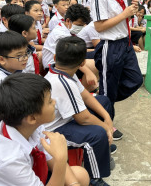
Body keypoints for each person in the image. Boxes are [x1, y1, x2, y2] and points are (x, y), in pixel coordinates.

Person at [0, 73, 90, 186]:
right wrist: (61, 159)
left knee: (80, 176)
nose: (54, 102)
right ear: (32, 118)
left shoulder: (25, 125)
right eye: (49, 101)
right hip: (8, 174)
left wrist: (73, 183)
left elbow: (48, 156)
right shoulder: (8, 159)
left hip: (20, 174)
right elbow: (56, 161)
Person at [44, 37, 113, 186]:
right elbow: (83, 118)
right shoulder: (62, 81)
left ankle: (103, 148)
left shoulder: (64, 70)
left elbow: (86, 96)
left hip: (66, 119)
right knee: (96, 135)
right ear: (83, 63)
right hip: (54, 130)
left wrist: (106, 117)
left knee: (103, 102)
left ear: (55, 57)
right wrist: (106, 127)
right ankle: (95, 178)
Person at [91, 0, 143, 140]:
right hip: (110, 47)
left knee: (135, 79)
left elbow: (124, 19)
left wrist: (132, 12)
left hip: (125, 45)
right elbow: (99, 27)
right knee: (108, 90)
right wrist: (124, 14)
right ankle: (106, 126)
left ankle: (98, 103)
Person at [42, 4, 97, 92]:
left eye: (83, 25)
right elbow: (69, 57)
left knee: (98, 54)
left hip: (67, 60)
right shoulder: (61, 34)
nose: (81, 28)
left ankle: (87, 90)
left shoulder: (67, 29)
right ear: (68, 21)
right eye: (79, 25)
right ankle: (82, 93)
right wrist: (88, 72)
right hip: (56, 65)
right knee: (96, 64)